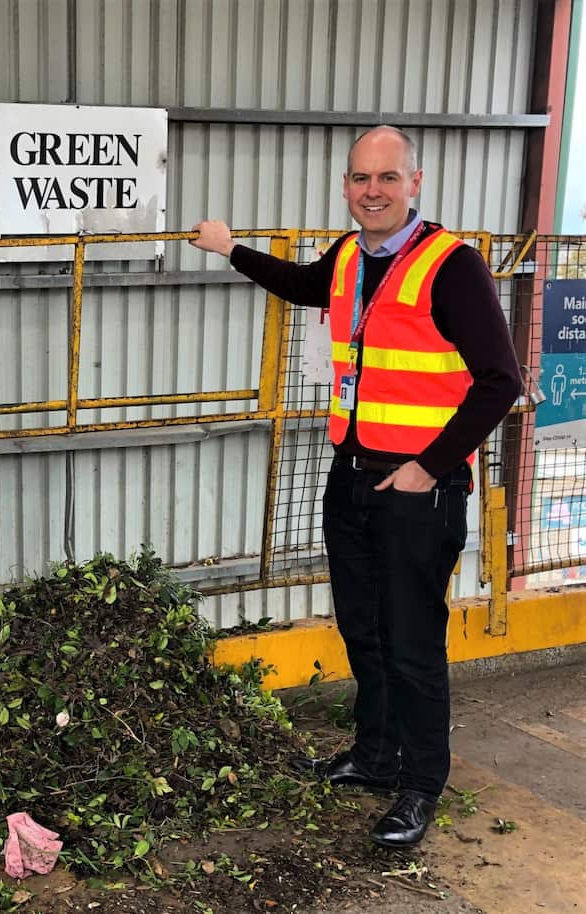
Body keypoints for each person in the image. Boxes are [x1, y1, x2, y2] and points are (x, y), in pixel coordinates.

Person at [190, 126, 521, 847]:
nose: (373, 191)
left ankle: (419, 784)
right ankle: (374, 757)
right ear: (346, 187)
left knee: (411, 643)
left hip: (417, 493)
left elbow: (503, 381)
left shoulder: (451, 266)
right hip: (351, 478)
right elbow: (301, 284)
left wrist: (429, 466)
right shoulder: (347, 256)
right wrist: (230, 249)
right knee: (363, 630)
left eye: (387, 178)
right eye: (360, 179)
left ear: (415, 182)